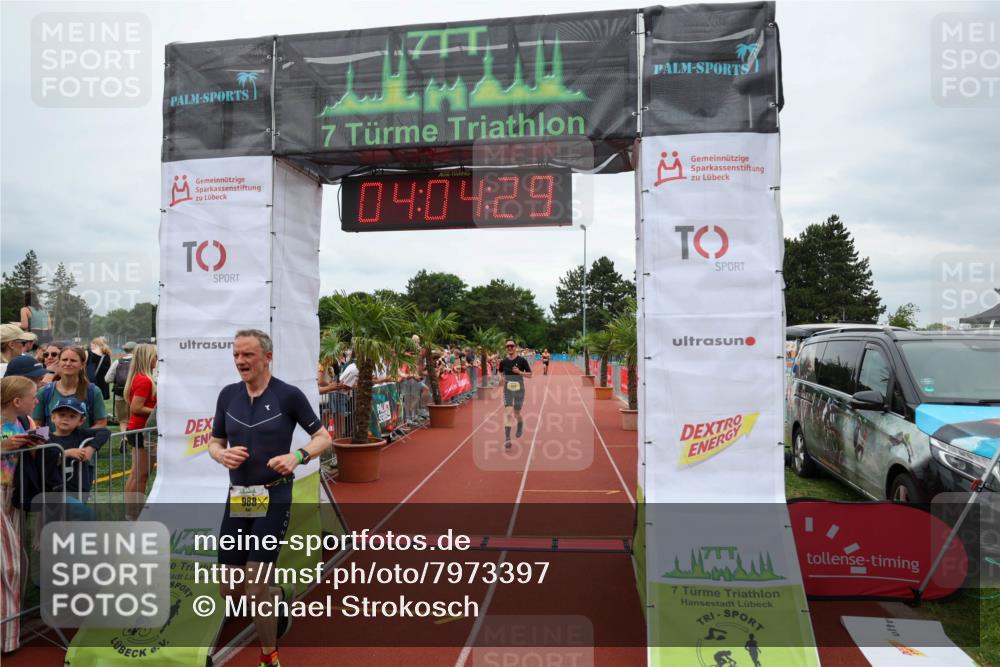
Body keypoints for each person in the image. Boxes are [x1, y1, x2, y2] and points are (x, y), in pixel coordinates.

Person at [207, 330, 331, 667]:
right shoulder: (227, 395)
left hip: (275, 496)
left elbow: (323, 437)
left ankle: (269, 656)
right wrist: (221, 456)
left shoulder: (287, 396)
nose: (240, 361)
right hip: (240, 498)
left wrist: (299, 457)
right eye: (236, 355)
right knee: (230, 590)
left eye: (247, 355)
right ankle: (279, 596)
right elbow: (214, 442)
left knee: (255, 588)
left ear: (267, 357)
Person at [1, 376, 41, 653]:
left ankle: (10, 630)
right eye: (33, 396)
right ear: (17, 401)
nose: (36, 401)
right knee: (9, 565)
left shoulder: (24, 423)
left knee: (19, 562)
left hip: (11, 496)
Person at [32, 346, 108, 430]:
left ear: (82, 364)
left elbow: (101, 423)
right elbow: (37, 425)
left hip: (83, 442)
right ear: (59, 363)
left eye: (73, 360)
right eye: (64, 360)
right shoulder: (44, 392)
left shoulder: (93, 391)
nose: (68, 364)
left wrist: (78, 438)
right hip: (53, 442)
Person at [123, 344, 157, 518]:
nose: (157, 360)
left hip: (137, 429)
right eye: (155, 356)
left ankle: (131, 513)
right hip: (141, 431)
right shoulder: (144, 379)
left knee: (137, 474)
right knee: (141, 475)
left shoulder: (139, 377)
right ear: (147, 358)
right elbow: (136, 407)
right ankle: (134, 513)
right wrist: (160, 412)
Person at [498, 339, 532, 449]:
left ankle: (520, 423)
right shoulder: (503, 361)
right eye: (507, 346)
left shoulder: (522, 360)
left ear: (515, 347)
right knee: (508, 413)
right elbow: (500, 372)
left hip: (519, 389)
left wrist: (519, 372)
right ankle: (508, 439)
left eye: (511, 346)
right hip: (507, 389)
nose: (509, 348)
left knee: (516, 413)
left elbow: (530, 374)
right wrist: (501, 379)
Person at [105, 341, 136, 428]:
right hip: (136, 393)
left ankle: (124, 438)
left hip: (120, 393)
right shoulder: (139, 362)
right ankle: (133, 438)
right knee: (134, 418)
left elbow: (107, 379)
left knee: (122, 420)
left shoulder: (118, 362)